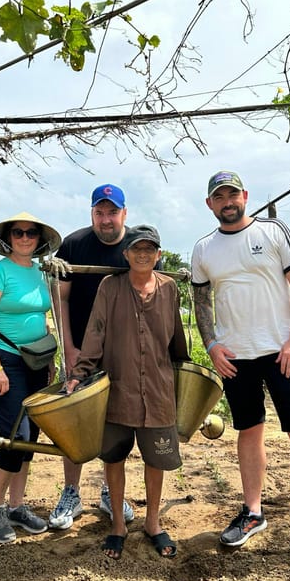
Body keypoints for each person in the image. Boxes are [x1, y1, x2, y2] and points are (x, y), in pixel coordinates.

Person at [191, 171, 290, 567]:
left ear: (245, 196)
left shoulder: (275, 231)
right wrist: (212, 345)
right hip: (236, 358)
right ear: (210, 204)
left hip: (282, 354)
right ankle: (252, 512)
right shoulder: (203, 249)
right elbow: (201, 300)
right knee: (249, 431)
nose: (227, 201)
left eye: (232, 194)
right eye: (218, 196)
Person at [69, 225, 189, 559]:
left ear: (158, 255)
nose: (143, 254)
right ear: (126, 254)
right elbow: (95, 332)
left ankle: (153, 521)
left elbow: (177, 337)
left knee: (157, 459)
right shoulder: (111, 287)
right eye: (137, 249)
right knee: (114, 457)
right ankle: (118, 524)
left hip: (158, 389)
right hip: (118, 388)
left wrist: (187, 375)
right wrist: (80, 373)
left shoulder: (169, 289)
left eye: (150, 249)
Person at [48, 183, 138, 530]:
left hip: (120, 351)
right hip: (82, 351)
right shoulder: (73, 245)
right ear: (92, 214)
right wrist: (70, 348)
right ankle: (70, 491)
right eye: (99, 212)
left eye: (112, 212)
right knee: (75, 419)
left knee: (115, 421)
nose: (106, 219)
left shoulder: (135, 248)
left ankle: (108, 490)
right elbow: (62, 300)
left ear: (124, 214)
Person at [0, 212, 62, 544]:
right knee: (15, 434)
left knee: (31, 437)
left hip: (36, 362)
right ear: (7, 238)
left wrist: (50, 361)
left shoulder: (42, 272)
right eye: (18, 233)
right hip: (6, 359)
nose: (25, 238)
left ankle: (17, 505)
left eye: (31, 234)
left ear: (39, 240)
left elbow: (45, 316)